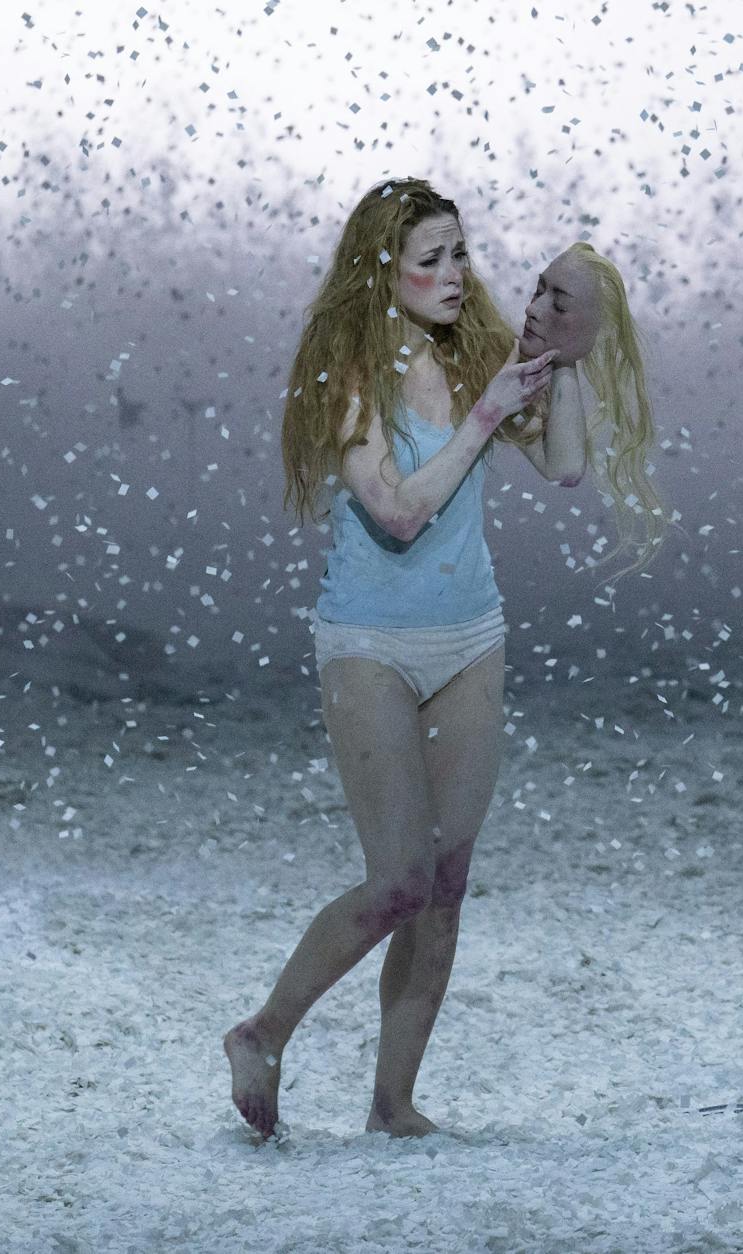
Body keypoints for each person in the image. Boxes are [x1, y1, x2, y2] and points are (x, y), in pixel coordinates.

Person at [225, 177, 666, 1141]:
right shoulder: (348, 369)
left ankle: (393, 1103)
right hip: (370, 643)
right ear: (382, 272)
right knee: (397, 883)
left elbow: (563, 466)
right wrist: (481, 415)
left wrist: (565, 362)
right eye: (429, 260)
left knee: (448, 883)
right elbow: (395, 510)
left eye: (459, 253)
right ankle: (262, 1031)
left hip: (472, 638)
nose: (455, 275)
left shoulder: (476, 348)